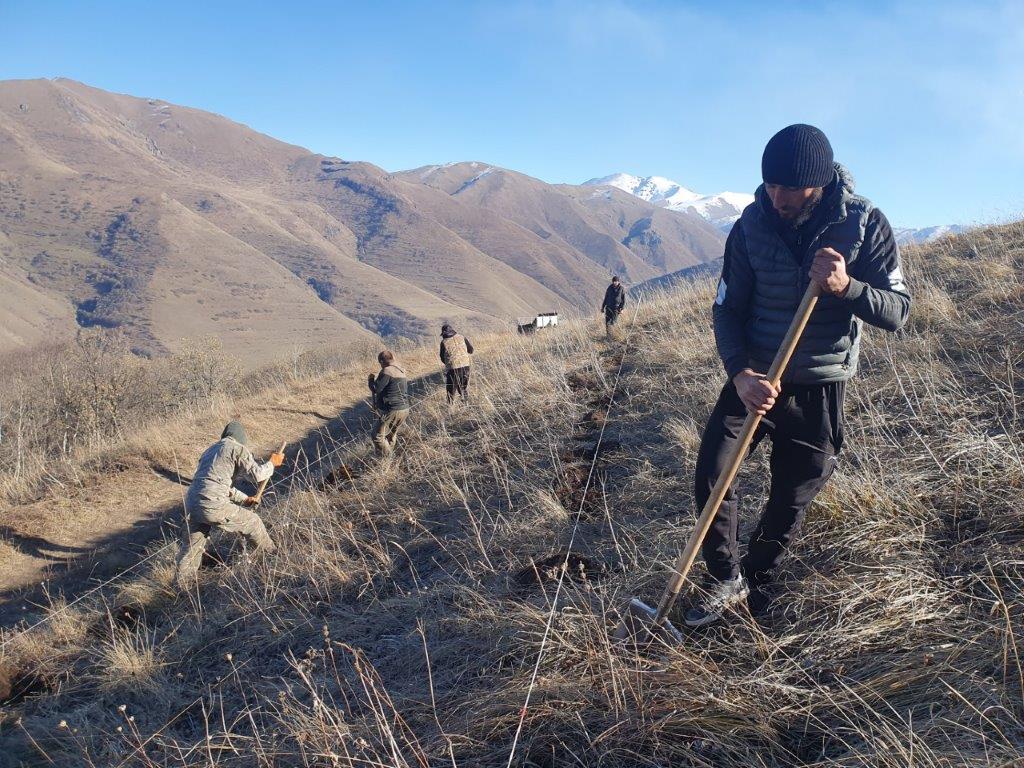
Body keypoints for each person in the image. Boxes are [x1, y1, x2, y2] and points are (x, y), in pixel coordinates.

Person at [685, 124, 911, 627]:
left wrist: (847, 287)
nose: (778, 197)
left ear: (821, 182)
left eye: (790, 188)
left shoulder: (864, 223)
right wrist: (740, 372)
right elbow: (727, 309)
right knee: (713, 474)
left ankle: (757, 580)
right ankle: (724, 577)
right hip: (753, 379)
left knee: (792, 495)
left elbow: (898, 311)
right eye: (770, 185)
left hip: (818, 384)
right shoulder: (750, 224)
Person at [174, 421, 284, 591]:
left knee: (193, 546)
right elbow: (258, 474)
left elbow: (218, 484)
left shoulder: (210, 451)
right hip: (213, 503)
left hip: (192, 503)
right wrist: (272, 463)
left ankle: (181, 589)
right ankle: (273, 556)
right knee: (253, 522)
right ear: (241, 438)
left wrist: (246, 499)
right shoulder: (236, 448)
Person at [368, 350, 410, 456]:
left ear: (382, 361)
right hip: (404, 408)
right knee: (391, 434)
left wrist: (371, 380)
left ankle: (388, 457)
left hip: (392, 409)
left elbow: (376, 389)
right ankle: (390, 457)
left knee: (376, 436)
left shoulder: (387, 371)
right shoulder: (401, 370)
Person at [439, 323, 474, 403]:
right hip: (466, 366)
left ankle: (450, 409)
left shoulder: (443, 342)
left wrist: (449, 363)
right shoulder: (462, 337)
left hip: (452, 368)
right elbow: (471, 350)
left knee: (450, 392)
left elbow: (442, 358)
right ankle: (466, 405)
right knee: (463, 388)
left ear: (444, 334)